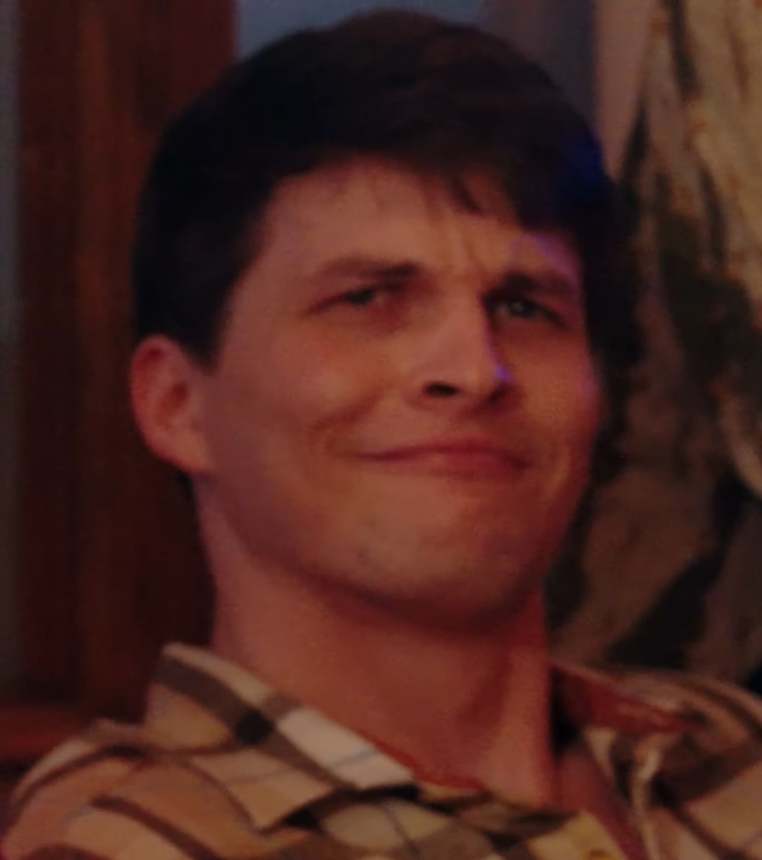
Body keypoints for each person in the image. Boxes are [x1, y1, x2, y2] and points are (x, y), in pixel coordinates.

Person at [4, 10, 762, 860]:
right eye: (368, 299)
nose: (476, 368)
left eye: (524, 307)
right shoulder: (136, 842)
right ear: (178, 405)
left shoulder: (728, 745)